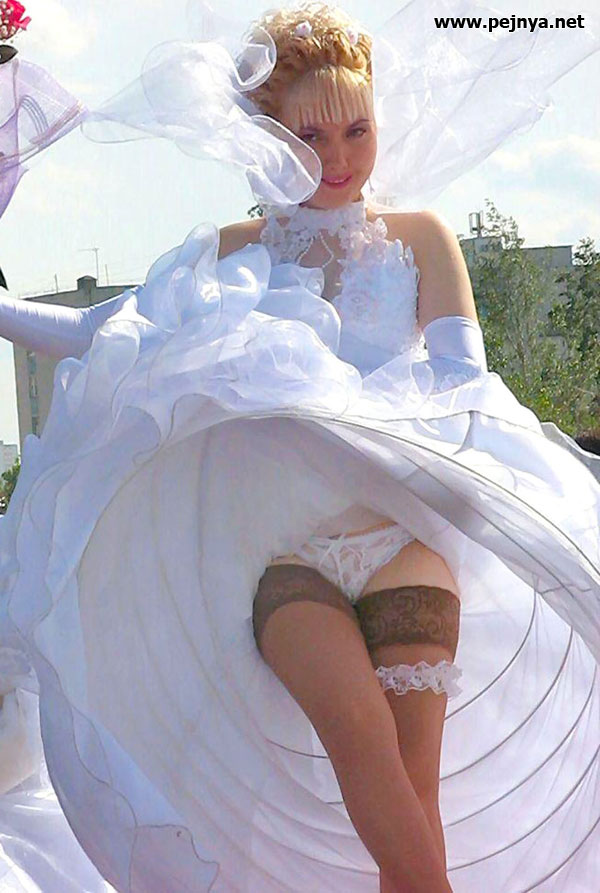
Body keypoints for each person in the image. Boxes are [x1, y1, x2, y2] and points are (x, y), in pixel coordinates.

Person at [0, 1, 599, 891]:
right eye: (309, 136)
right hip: (282, 558)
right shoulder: (231, 250)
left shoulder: (420, 236)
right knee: (364, 752)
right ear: (267, 140)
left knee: (414, 794)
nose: (338, 156)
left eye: (357, 129)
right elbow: (98, 330)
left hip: (403, 540)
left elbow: (463, 387)